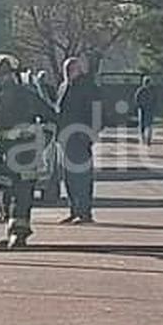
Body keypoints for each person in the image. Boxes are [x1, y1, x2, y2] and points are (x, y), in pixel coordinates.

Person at [0, 53, 58, 248]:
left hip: (13, 154)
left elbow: (51, 118)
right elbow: (51, 118)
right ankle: (16, 231)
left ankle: (17, 232)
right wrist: (44, 140)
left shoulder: (7, 97)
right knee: (18, 192)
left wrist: (43, 139)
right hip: (19, 153)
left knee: (16, 191)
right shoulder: (25, 95)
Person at [55, 56, 101, 225]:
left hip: (81, 137)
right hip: (65, 138)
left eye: (71, 69)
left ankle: (85, 212)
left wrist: (90, 135)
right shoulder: (63, 87)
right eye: (66, 69)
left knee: (82, 176)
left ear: (79, 70)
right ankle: (74, 210)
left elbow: (97, 113)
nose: (68, 73)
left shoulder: (88, 87)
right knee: (69, 177)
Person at [133, 75, 158, 145]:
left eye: (148, 82)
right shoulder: (140, 90)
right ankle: (143, 138)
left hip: (149, 109)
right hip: (142, 109)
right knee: (142, 124)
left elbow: (155, 99)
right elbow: (136, 98)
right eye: (146, 82)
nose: (147, 84)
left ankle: (148, 139)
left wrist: (153, 106)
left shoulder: (152, 91)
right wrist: (139, 106)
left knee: (149, 124)